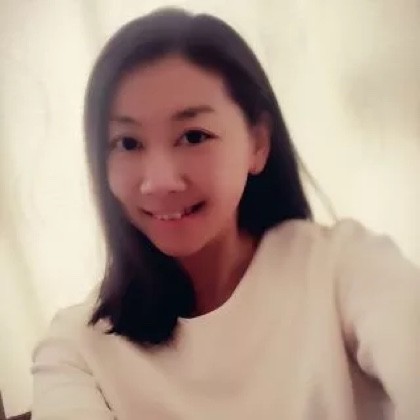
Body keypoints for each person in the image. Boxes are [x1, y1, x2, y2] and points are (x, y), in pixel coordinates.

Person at [31, 7, 420, 420]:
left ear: (257, 143)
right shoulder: (76, 350)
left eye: (193, 136)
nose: (159, 182)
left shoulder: (344, 268)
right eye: (127, 143)